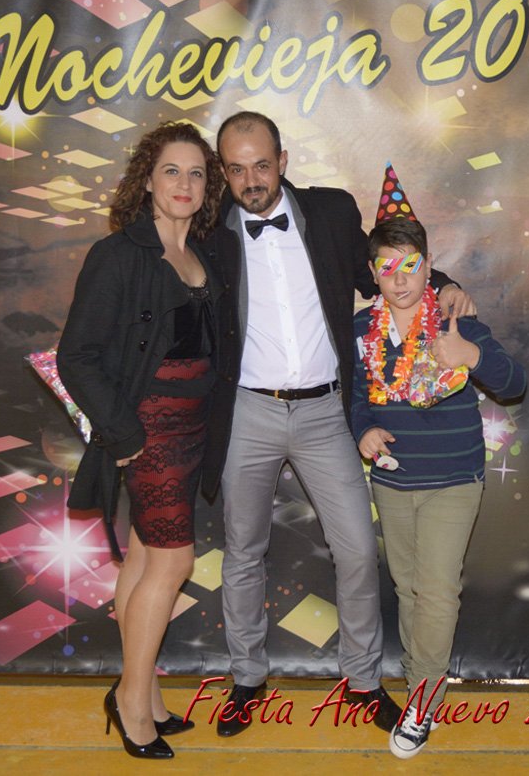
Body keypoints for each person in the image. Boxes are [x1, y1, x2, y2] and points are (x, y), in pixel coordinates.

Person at [200, 112, 475, 737]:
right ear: (223, 172)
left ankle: (363, 681)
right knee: (242, 552)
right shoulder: (208, 233)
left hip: (326, 411)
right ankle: (247, 677)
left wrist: (445, 284)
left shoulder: (329, 211)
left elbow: (380, 270)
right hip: (247, 410)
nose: (251, 180)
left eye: (262, 165)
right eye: (237, 169)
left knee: (355, 550)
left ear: (283, 160)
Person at [59, 122, 226, 760]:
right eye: (171, 171)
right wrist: (124, 433)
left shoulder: (201, 253)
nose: (185, 184)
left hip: (192, 431)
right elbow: (77, 357)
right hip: (148, 432)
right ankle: (132, 704)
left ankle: (143, 693)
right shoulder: (119, 254)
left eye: (196, 173)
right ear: (147, 181)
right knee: (173, 563)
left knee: (143, 560)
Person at [350, 171, 526, 759]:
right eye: (387, 268)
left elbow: (514, 382)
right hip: (394, 479)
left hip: (454, 478)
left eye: (411, 265)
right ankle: (418, 679)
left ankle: (423, 701)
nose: (400, 279)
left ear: (430, 268)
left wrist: (470, 354)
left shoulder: (456, 322)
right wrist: (363, 429)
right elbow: (354, 398)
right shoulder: (360, 331)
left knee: (439, 591)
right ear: (372, 272)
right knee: (409, 587)